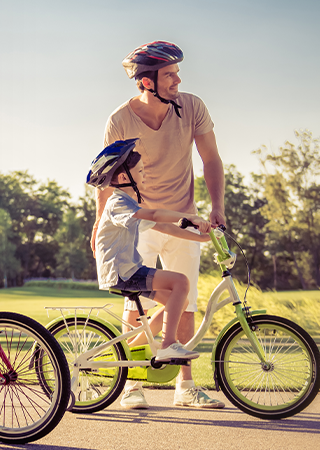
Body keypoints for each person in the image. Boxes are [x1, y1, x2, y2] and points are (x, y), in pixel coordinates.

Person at [95, 40, 229, 410]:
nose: (178, 79)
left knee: (185, 304)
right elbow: (109, 179)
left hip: (183, 216)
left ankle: (185, 387)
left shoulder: (192, 107)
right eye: (169, 74)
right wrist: (98, 224)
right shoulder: (120, 120)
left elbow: (211, 160)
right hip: (138, 221)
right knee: (134, 305)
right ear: (147, 82)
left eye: (177, 72)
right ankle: (131, 385)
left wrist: (217, 206)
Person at [87, 139, 211, 366]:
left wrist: (201, 238)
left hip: (129, 270)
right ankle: (167, 345)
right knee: (181, 282)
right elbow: (155, 216)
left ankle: (127, 352)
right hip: (123, 272)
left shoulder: (128, 204)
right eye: (141, 171)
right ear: (125, 178)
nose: (145, 175)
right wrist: (189, 217)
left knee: (179, 301)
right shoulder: (118, 204)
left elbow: (162, 227)